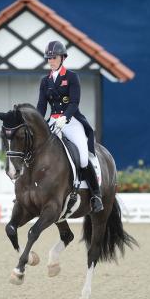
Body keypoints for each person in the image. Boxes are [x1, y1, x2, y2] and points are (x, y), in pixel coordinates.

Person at [36, 41, 103, 212]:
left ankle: (96, 195)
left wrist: (65, 118)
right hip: (52, 122)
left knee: (81, 157)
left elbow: (74, 102)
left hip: (71, 121)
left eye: (54, 57)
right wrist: (37, 122)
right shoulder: (45, 81)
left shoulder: (71, 77)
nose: (51, 61)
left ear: (62, 57)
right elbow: (41, 106)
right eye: (49, 58)